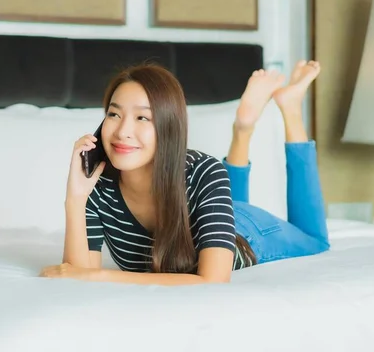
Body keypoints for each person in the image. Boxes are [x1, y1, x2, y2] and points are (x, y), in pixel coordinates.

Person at [40, 60, 330, 286]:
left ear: (168, 126)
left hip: (248, 232)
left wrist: (102, 276)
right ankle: (243, 128)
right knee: (227, 195)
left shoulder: (205, 171)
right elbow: (77, 276)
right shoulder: (97, 183)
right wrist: (75, 199)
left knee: (316, 240)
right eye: (114, 114)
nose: (122, 131)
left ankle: (286, 110)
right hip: (213, 208)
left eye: (143, 117)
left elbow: (213, 280)